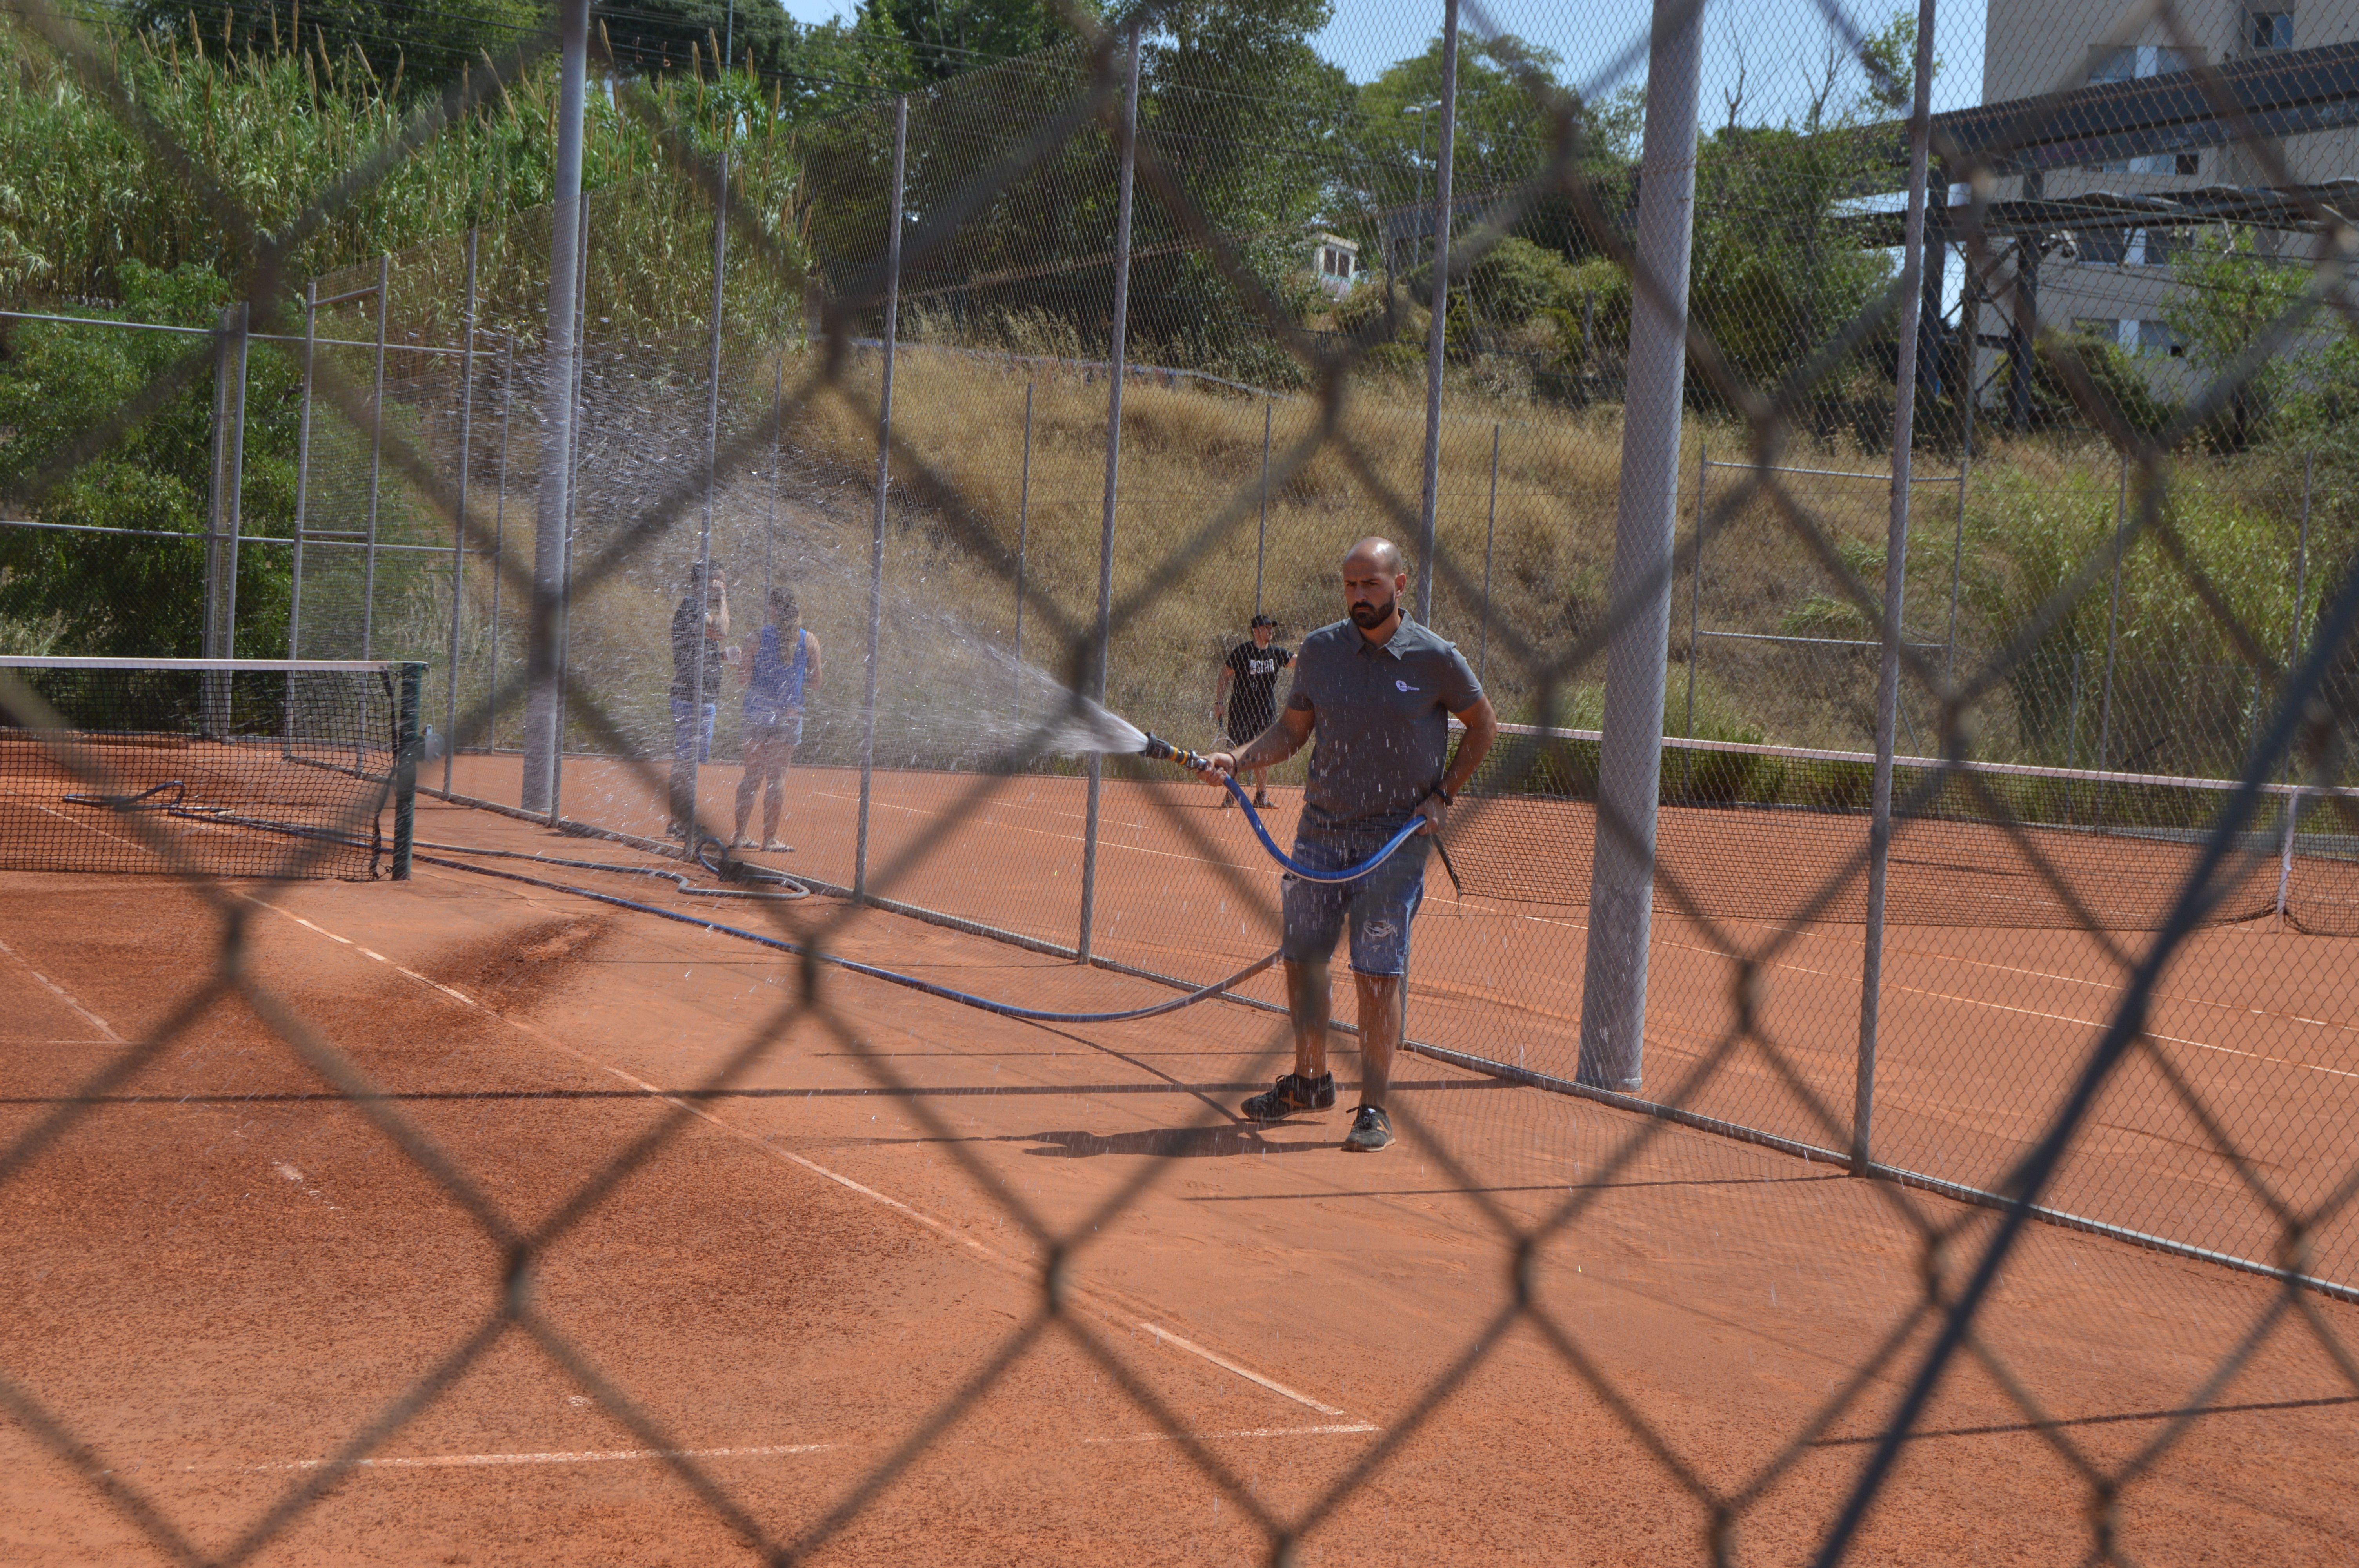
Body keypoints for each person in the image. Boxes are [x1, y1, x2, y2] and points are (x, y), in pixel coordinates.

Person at [1198, 537, 1498, 1153]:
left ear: (1400, 585)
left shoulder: (1436, 659)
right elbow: (1292, 731)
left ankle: (1374, 1107)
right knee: (1303, 958)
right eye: (1350, 585)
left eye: (1372, 585)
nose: (1360, 596)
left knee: (1377, 973)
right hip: (1322, 830)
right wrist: (1238, 757)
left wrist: (1443, 795)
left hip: (1394, 839)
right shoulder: (1320, 651)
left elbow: (1483, 726)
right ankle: (1310, 1081)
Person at [735, 586, 821, 851]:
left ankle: (740, 836)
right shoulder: (809, 641)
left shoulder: (756, 637)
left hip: (757, 712)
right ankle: (769, 840)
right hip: (790, 713)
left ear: (773, 610)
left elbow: (743, 678)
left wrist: (739, 665)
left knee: (752, 776)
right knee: (777, 779)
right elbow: (817, 683)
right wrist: (795, 676)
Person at [667, 562, 732, 841]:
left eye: (724, 584)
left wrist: (721, 658)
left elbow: (699, 648)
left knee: (689, 762)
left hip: (701, 695)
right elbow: (721, 630)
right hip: (690, 697)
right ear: (705, 583)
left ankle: (682, 820)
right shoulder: (693, 606)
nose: (722, 588)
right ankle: (680, 822)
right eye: (719, 583)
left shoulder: (697, 609)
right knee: (687, 763)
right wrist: (724, 601)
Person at [1210, 613, 1292, 809]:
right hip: (1241, 711)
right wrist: (1219, 702)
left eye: (1272, 627)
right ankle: (1231, 795)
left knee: (1263, 754)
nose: (1271, 631)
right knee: (1236, 753)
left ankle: (1261, 797)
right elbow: (1225, 675)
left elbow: (1297, 660)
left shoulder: (1276, 653)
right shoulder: (1242, 652)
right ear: (1256, 632)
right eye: (1266, 628)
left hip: (1266, 713)